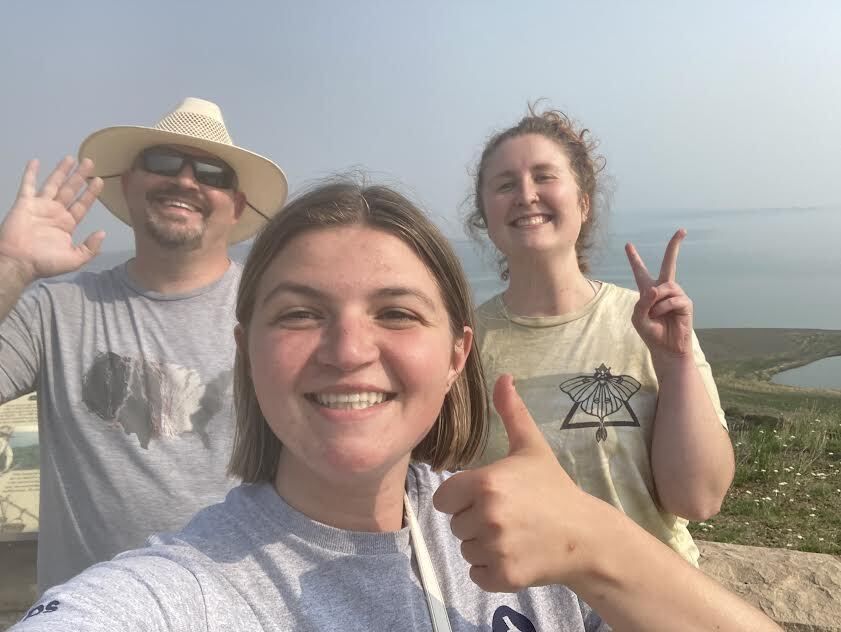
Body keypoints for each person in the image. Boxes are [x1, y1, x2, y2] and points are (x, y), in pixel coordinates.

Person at [10, 181, 780, 631]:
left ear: (456, 356)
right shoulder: (175, 595)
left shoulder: (532, 551)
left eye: (397, 312)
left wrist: (598, 546)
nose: (348, 350)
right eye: (300, 312)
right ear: (245, 348)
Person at [0, 97, 288, 592]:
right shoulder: (54, 310)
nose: (185, 180)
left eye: (212, 172)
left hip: (238, 607)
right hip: (88, 616)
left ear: (237, 204)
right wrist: (11, 265)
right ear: (128, 183)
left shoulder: (276, 314)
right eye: (161, 162)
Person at [466, 107, 735, 566]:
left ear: (584, 202)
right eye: (505, 184)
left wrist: (674, 361)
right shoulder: (463, 345)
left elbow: (698, 500)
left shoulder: (648, 323)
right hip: (517, 607)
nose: (526, 195)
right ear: (485, 216)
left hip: (651, 599)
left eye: (544, 176)